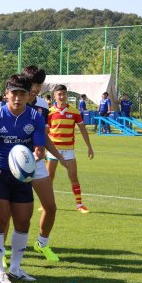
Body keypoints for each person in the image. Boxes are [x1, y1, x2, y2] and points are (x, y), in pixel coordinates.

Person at [0, 74, 46, 283]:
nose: (17, 97)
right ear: (6, 94)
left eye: (22, 93)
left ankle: (15, 268)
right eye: (14, 93)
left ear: (29, 95)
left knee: (23, 222)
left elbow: (39, 147)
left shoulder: (35, 117)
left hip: (23, 175)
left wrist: (37, 155)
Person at [22, 65, 67, 263]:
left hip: (37, 161)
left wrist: (57, 155)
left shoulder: (42, 106)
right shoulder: (14, 101)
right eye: (32, 84)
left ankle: (42, 243)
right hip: (14, 164)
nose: (35, 88)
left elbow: (44, 136)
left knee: (50, 206)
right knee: (14, 210)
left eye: (38, 85)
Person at [46, 84, 94, 214]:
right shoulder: (49, 112)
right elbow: (45, 132)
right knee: (49, 177)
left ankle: (80, 205)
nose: (62, 96)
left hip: (68, 150)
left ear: (67, 95)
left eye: (64, 94)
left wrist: (89, 147)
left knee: (73, 176)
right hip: (53, 150)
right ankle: (47, 203)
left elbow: (83, 129)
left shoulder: (74, 112)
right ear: (54, 96)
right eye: (59, 94)